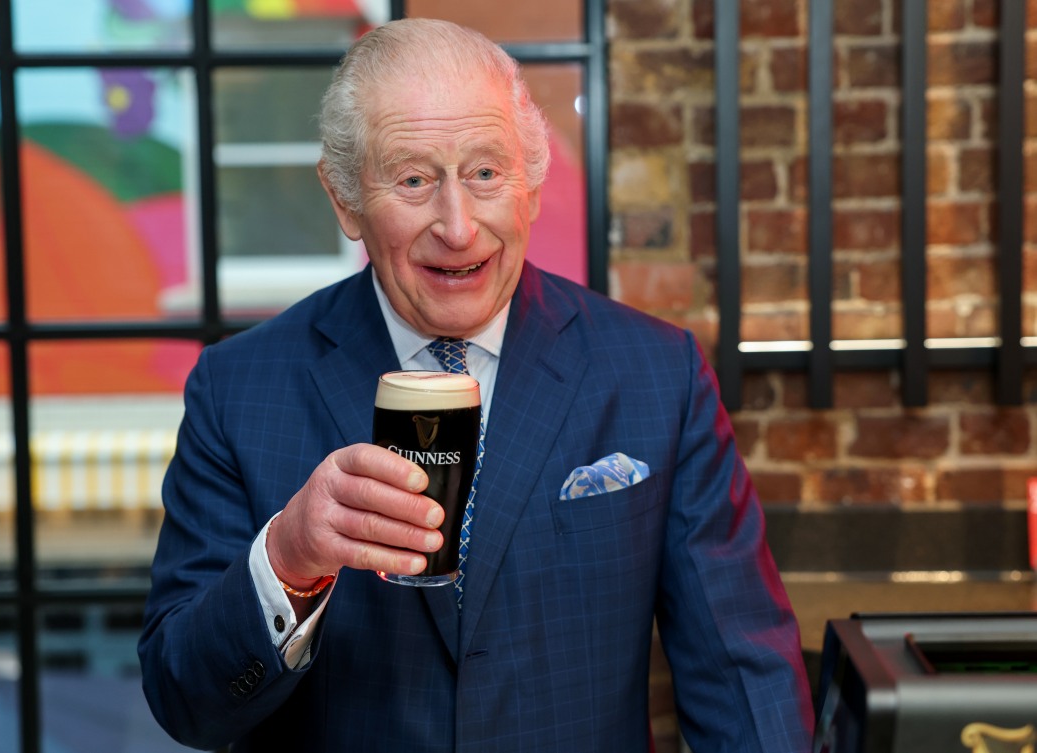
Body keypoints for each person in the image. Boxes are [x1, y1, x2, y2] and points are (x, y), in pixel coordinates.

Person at [138, 17, 814, 753]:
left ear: (531, 184)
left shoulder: (657, 372)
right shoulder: (237, 389)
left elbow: (743, 681)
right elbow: (184, 700)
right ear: (344, 199)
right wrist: (290, 557)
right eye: (413, 180)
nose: (457, 227)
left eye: (486, 173)